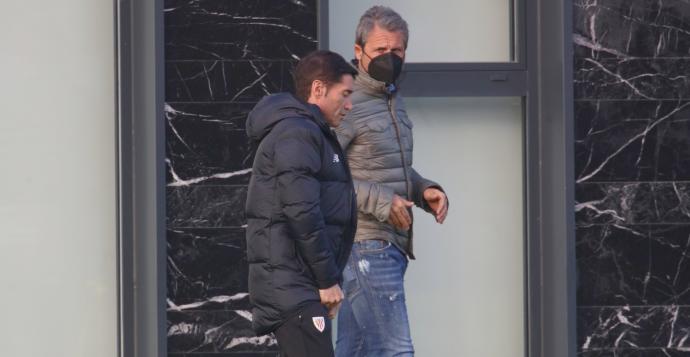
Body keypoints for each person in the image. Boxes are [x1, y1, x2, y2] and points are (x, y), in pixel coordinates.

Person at [334, 6, 449, 357]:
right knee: (396, 351)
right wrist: (384, 202)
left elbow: (391, 170)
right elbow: (325, 179)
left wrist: (424, 189)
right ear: (358, 51)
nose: (389, 57)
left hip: (389, 246)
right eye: (380, 50)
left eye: (396, 51)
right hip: (365, 244)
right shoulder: (347, 105)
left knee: (354, 351)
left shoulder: (392, 100)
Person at [244, 50, 358, 357]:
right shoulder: (299, 132)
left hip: (297, 286)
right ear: (319, 89)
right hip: (295, 288)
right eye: (345, 94)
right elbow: (302, 211)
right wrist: (327, 279)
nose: (349, 105)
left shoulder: (307, 132)